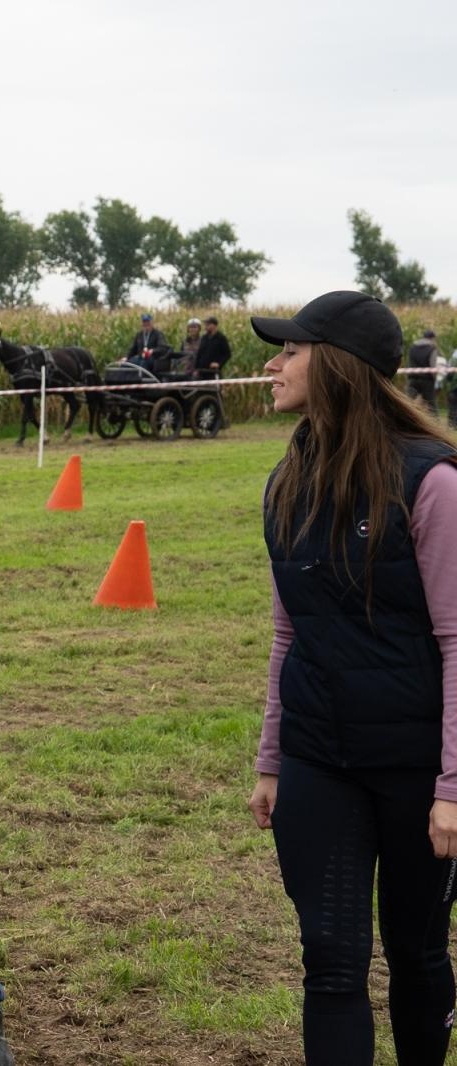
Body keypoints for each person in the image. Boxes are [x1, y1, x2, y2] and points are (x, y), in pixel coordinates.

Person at [245, 290, 457, 1065]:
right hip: (319, 758)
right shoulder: (285, 482)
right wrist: (273, 759)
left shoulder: (433, 483)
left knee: (416, 954)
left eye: (290, 350)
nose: (272, 365)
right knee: (330, 960)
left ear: (338, 366)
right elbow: (288, 632)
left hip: (415, 768)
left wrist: (453, 785)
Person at [408, 328, 443, 415]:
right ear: (432, 338)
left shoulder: (413, 347)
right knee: (432, 405)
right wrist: (436, 380)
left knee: (407, 402)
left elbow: (409, 363)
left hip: (413, 379)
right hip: (427, 381)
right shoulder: (432, 348)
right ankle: (435, 422)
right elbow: (433, 366)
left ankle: (400, 418)